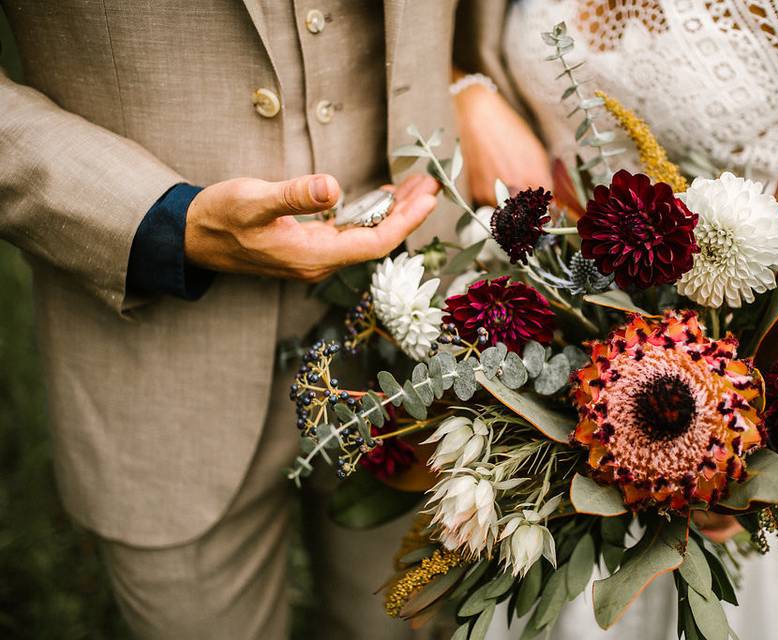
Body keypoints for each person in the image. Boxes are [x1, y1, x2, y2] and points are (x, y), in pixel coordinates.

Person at [0, 1, 498, 638]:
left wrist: (475, 86)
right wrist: (162, 222)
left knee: (398, 623)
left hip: (421, 331)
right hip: (156, 366)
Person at [452, 0, 778, 638]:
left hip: (738, 408)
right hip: (553, 378)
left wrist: (769, 432)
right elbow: (441, 41)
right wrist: (467, 97)